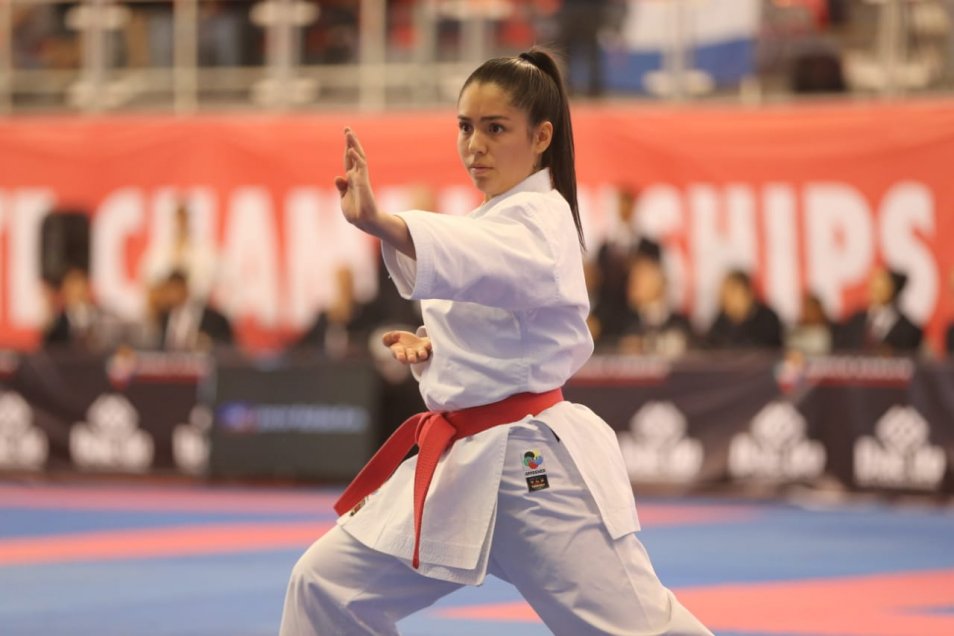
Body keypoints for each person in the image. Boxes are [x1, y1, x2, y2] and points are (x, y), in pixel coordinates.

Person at [280, 47, 711, 635]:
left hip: (535, 467)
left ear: (540, 137)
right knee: (324, 586)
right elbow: (500, 314)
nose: (474, 145)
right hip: (464, 465)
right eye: (465, 127)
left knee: (641, 629)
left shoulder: (542, 218)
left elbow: (478, 260)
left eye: (495, 128)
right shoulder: (493, 219)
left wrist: (382, 221)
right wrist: (436, 347)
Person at [617, 238, 693, 357]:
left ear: (661, 275)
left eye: (642, 271)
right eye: (632, 272)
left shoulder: (682, 325)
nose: (633, 279)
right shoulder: (619, 325)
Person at [834, 266, 923, 354]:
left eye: (882, 286)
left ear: (894, 288)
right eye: (873, 284)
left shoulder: (908, 329)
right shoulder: (856, 320)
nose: (875, 289)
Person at [705, 269, 783, 350]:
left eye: (733, 292)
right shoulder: (721, 321)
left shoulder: (767, 318)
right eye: (725, 295)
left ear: (748, 292)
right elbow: (711, 347)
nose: (728, 300)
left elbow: (764, 348)